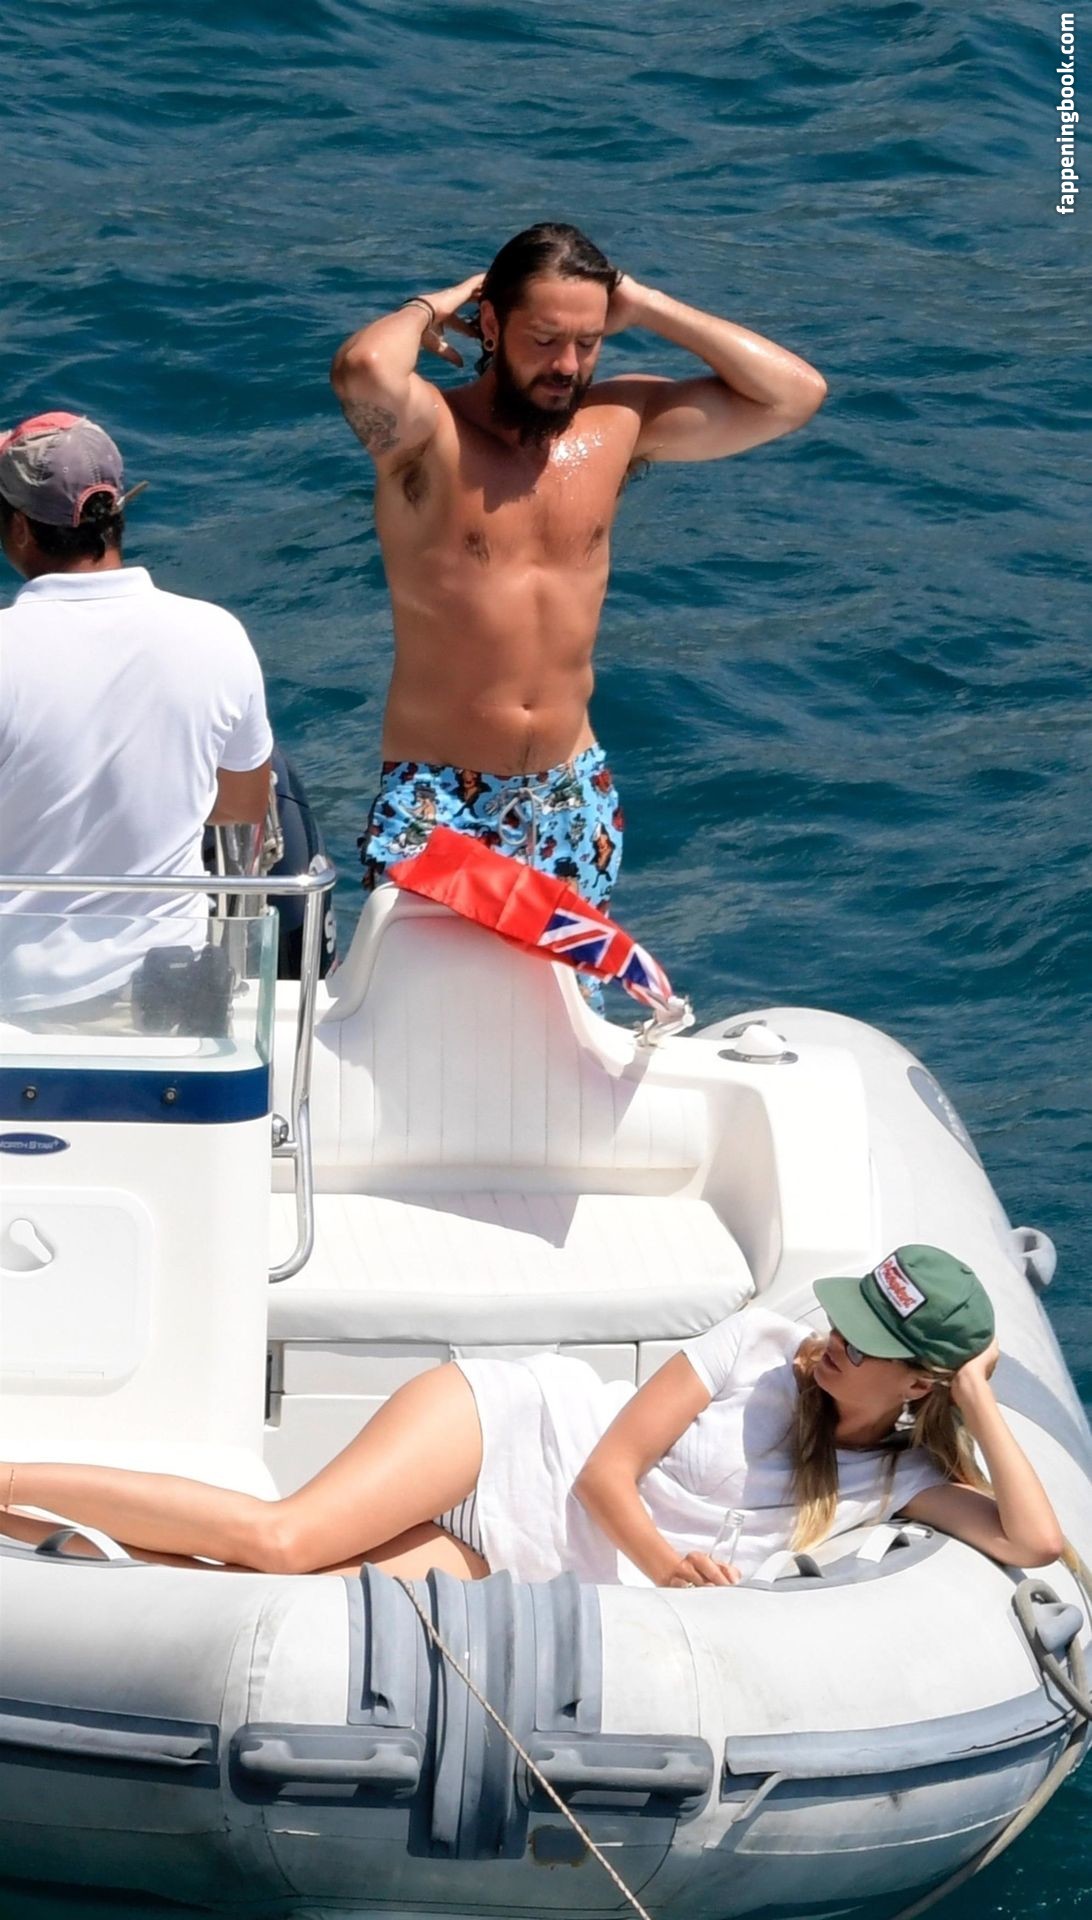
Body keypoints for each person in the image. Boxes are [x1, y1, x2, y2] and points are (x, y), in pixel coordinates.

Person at [0, 1247, 1064, 1586]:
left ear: (920, 1384)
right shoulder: (757, 1345)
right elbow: (607, 1473)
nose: (833, 1340)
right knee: (280, 1543)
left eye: (864, 1341)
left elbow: (1034, 1541)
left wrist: (977, 1395)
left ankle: (20, 1546)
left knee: (257, 1597)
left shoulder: (906, 1482)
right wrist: (667, 1569)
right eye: (843, 1316)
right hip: (501, 1435)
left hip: (515, 1565)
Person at [331, 222, 828, 921]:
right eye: (545, 340)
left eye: (587, 343)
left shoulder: (619, 424)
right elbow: (363, 368)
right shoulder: (428, 437)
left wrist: (646, 303)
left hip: (571, 793)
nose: (567, 364)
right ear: (492, 326)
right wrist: (430, 307)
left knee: (566, 990)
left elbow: (794, 396)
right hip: (440, 795)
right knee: (428, 987)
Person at [0, 412, 274, 1019]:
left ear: (20, 527)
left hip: (15, 1002)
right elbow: (242, 806)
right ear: (116, 513)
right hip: (170, 996)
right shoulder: (216, 634)